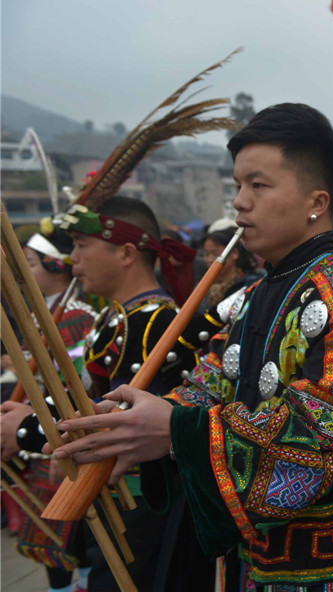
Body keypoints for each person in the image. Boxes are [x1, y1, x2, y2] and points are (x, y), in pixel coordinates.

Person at [51, 103, 333, 592]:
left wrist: (176, 431)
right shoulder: (259, 296)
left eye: (257, 186)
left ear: (316, 201)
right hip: (253, 564)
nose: (239, 202)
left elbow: (320, 441)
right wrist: (122, 430)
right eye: (238, 186)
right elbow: (207, 386)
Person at [55, 195, 213, 592]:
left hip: (145, 500)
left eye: (81, 245)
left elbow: (124, 421)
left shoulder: (156, 322)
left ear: (126, 253)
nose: (72, 259)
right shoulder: (117, 318)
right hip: (114, 494)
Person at [0, 226, 97, 592]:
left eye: (29, 263)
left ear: (56, 266)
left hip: (59, 434)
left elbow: (78, 382)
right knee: (49, 540)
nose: (23, 273)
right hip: (36, 433)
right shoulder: (43, 314)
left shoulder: (77, 316)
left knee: (75, 534)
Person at [199, 222, 261, 311]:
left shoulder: (250, 285)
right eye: (206, 254)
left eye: (214, 253)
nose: (209, 259)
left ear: (234, 253)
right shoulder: (202, 286)